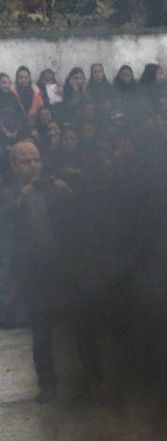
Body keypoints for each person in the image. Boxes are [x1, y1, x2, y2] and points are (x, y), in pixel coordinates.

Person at [7, 141, 101, 403]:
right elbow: (7, 230)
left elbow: (80, 222)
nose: (32, 166)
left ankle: (93, 377)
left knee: (81, 324)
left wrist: (67, 192)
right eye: (25, 161)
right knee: (41, 330)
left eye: (36, 159)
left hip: (65, 268)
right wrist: (21, 199)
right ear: (14, 165)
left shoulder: (56, 187)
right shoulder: (9, 194)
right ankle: (48, 385)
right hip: (34, 272)